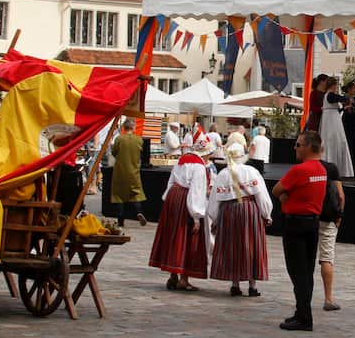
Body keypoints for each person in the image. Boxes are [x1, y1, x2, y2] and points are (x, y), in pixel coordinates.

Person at [271, 130, 327, 331]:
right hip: (312, 224)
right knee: (307, 271)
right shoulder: (321, 169)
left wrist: (285, 197)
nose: (295, 148)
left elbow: (276, 189)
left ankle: (304, 317)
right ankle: (302, 312)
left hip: (295, 224)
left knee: (297, 272)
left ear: (307, 147)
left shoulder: (299, 170)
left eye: (297, 145)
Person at [149, 135, 216, 291]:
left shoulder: (182, 160)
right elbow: (196, 191)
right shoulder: (199, 167)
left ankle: (172, 275)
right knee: (186, 238)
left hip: (173, 197)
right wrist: (196, 217)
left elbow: (171, 182)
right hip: (186, 201)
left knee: (173, 236)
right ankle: (183, 279)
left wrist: (168, 199)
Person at [207, 142, 273, 298]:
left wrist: (215, 218)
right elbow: (261, 195)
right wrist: (266, 214)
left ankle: (235, 285)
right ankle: (252, 286)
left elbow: (215, 200)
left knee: (233, 246)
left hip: (228, 212)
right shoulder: (251, 171)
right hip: (250, 210)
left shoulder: (223, 174)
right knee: (251, 246)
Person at [318, 152, 345, 312]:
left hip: (309, 216)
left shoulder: (303, 168)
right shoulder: (331, 168)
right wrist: (339, 217)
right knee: (326, 258)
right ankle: (328, 299)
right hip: (328, 218)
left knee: (306, 259)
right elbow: (340, 196)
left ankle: (303, 296)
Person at [110, 119, 148, 227]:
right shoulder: (139, 140)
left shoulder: (119, 139)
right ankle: (139, 212)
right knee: (135, 194)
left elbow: (114, 152)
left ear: (123, 128)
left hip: (119, 171)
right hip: (134, 171)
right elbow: (142, 154)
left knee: (119, 195)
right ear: (134, 128)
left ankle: (120, 218)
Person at [318, 77, 354, 178]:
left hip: (332, 119)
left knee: (335, 141)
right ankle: (334, 168)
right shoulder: (330, 95)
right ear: (333, 85)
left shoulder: (329, 96)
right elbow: (340, 98)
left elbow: (335, 109)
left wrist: (344, 107)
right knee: (335, 141)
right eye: (336, 85)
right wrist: (348, 98)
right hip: (331, 122)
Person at [341, 80, 355, 175]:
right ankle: (350, 168)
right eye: (354, 88)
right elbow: (348, 112)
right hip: (347, 124)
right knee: (349, 145)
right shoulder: (344, 99)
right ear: (349, 89)